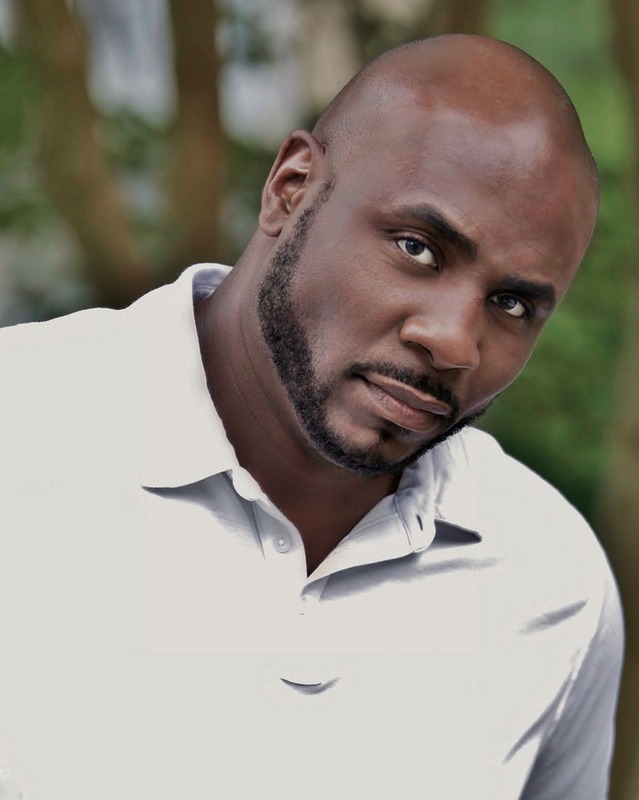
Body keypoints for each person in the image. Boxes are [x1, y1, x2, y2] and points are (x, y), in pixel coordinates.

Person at [0, 33, 623, 800]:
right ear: (290, 190)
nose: (454, 342)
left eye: (512, 304)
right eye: (417, 248)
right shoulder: (20, 426)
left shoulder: (550, 580)